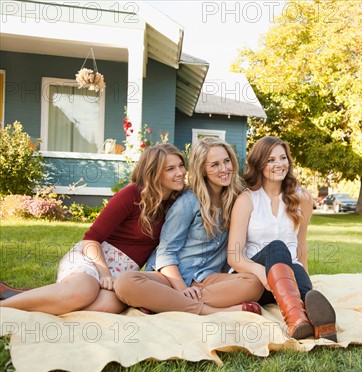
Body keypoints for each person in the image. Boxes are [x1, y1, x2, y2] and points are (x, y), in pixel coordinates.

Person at [0, 143, 186, 314]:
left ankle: (26, 297)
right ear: (152, 172)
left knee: (108, 305)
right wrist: (104, 272)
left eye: (181, 165)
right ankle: (5, 307)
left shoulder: (177, 203)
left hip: (122, 274)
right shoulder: (132, 194)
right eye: (170, 169)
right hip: (93, 259)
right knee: (82, 293)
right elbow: (91, 239)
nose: (180, 172)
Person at [114, 138, 264, 315]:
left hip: (206, 279)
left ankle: (164, 303)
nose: (224, 169)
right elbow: (166, 252)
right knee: (125, 282)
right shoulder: (188, 201)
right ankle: (209, 311)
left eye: (226, 161)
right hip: (169, 278)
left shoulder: (237, 200)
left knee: (254, 283)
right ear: (202, 169)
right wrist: (180, 288)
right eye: (214, 165)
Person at [228, 136, 337, 341]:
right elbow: (234, 257)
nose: (279, 164)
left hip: (287, 277)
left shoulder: (302, 198)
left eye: (283, 158)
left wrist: (305, 277)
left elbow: (301, 245)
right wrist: (262, 272)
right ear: (259, 164)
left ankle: (321, 324)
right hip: (254, 279)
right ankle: (296, 318)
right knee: (277, 247)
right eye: (271, 160)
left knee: (303, 285)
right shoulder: (247, 199)